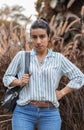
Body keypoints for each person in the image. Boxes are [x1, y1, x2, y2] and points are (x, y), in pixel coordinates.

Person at [3, 18, 84, 130]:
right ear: (30, 38)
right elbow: (6, 78)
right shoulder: (22, 56)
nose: (38, 41)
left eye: (42, 36)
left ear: (48, 37)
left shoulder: (58, 58)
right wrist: (19, 81)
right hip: (23, 113)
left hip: (50, 114)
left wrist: (62, 92)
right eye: (34, 37)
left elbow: (79, 77)